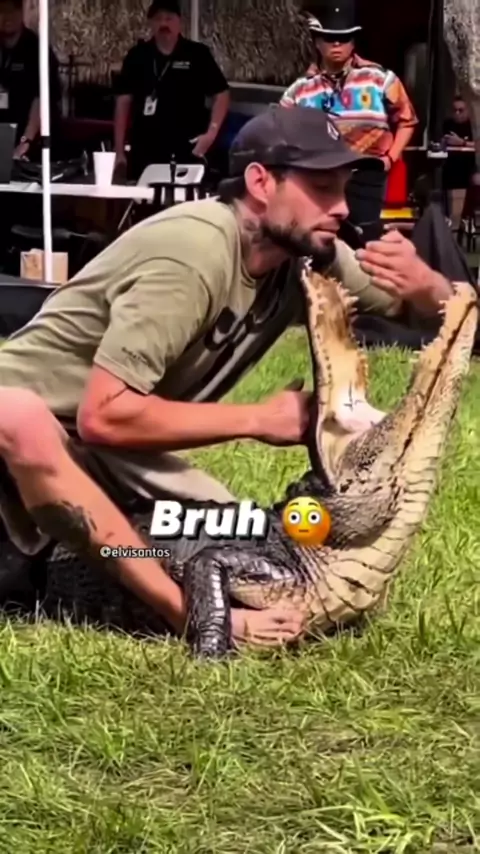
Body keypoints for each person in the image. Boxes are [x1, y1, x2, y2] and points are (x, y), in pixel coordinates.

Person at [0, 105, 454, 649]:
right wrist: (258, 419)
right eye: (321, 187)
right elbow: (104, 416)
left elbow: (432, 313)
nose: (340, 207)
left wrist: (426, 284)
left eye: (343, 188)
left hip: (96, 451)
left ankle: (69, 554)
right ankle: (189, 617)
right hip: (32, 437)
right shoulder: (194, 253)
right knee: (18, 417)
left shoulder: (306, 254)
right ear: (260, 183)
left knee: (223, 533)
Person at [280, 0, 418, 243]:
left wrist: (390, 158)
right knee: (321, 240)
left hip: (367, 171)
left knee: (364, 239)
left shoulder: (380, 78)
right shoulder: (300, 89)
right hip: (319, 173)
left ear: (353, 42)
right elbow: (280, 130)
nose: (336, 44)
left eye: (343, 38)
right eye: (329, 37)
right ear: (317, 42)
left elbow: (408, 120)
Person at [113, 0, 230, 181]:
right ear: (151, 23)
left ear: (179, 22)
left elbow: (221, 93)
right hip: (145, 151)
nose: (163, 24)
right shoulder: (137, 56)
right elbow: (122, 103)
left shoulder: (197, 54)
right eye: (158, 19)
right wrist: (119, 151)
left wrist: (211, 133)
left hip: (188, 150)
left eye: (169, 18)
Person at [0, 0, 61, 159]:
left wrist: (26, 141)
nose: (7, 17)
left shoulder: (37, 50)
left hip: (33, 142)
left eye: (12, 11)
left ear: (21, 13)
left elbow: (42, 99)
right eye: (2, 11)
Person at [442, 96, 476, 231]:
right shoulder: (448, 124)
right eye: (454, 110)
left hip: (471, 166)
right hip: (450, 165)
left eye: (461, 110)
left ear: (468, 111)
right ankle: (447, 219)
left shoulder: (474, 126)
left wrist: (462, 143)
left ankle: (464, 219)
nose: (457, 114)